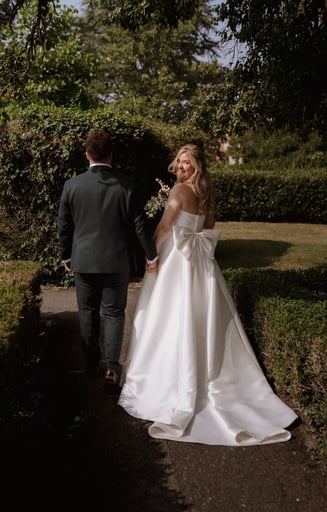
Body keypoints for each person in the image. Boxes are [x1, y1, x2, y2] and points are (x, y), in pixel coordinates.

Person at [118, 143, 298, 445]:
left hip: (178, 256)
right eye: (179, 162)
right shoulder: (205, 192)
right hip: (202, 261)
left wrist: (152, 254)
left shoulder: (178, 192)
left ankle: (171, 382)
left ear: (196, 165)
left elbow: (164, 226)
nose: (181, 167)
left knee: (169, 314)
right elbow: (210, 224)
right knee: (203, 313)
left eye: (187, 163)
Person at [57, 129, 158, 394]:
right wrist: (151, 254)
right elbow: (139, 225)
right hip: (116, 261)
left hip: (84, 260)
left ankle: (91, 365)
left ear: (87, 154)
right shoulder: (127, 184)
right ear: (111, 155)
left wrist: (67, 255)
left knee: (87, 312)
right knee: (114, 313)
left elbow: (64, 226)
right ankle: (113, 368)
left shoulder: (72, 185)